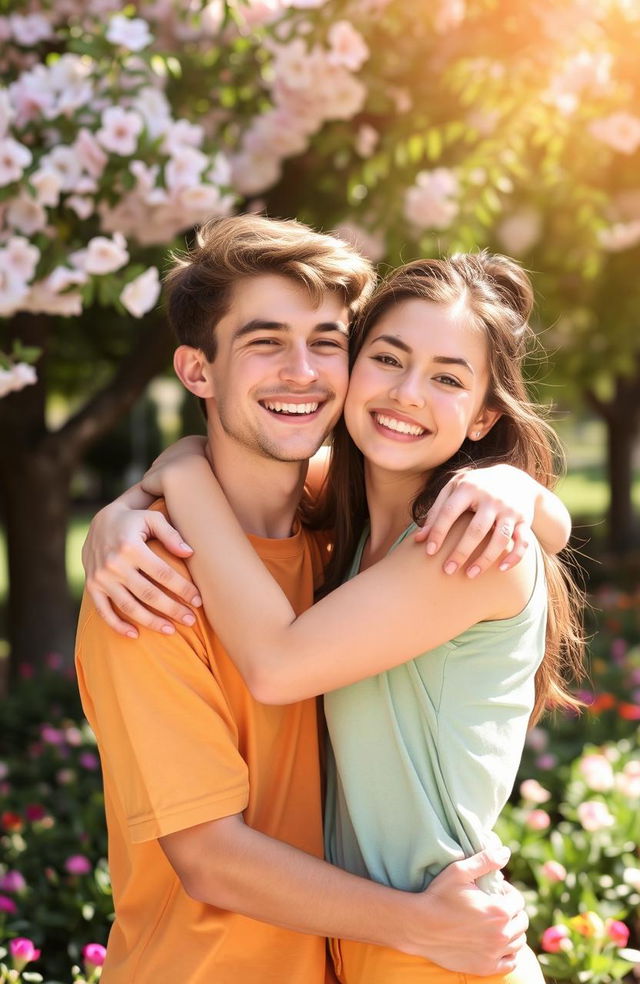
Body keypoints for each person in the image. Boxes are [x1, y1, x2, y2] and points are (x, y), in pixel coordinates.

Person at [78, 217, 571, 983]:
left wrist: (177, 470)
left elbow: (277, 663)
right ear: (197, 372)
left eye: (326, 342)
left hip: (428, 951)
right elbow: (209, 857)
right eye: (265, 341)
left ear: (483, 415)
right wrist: (143, 495)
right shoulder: (154, 578)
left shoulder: (446, 543)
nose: (302, 372)